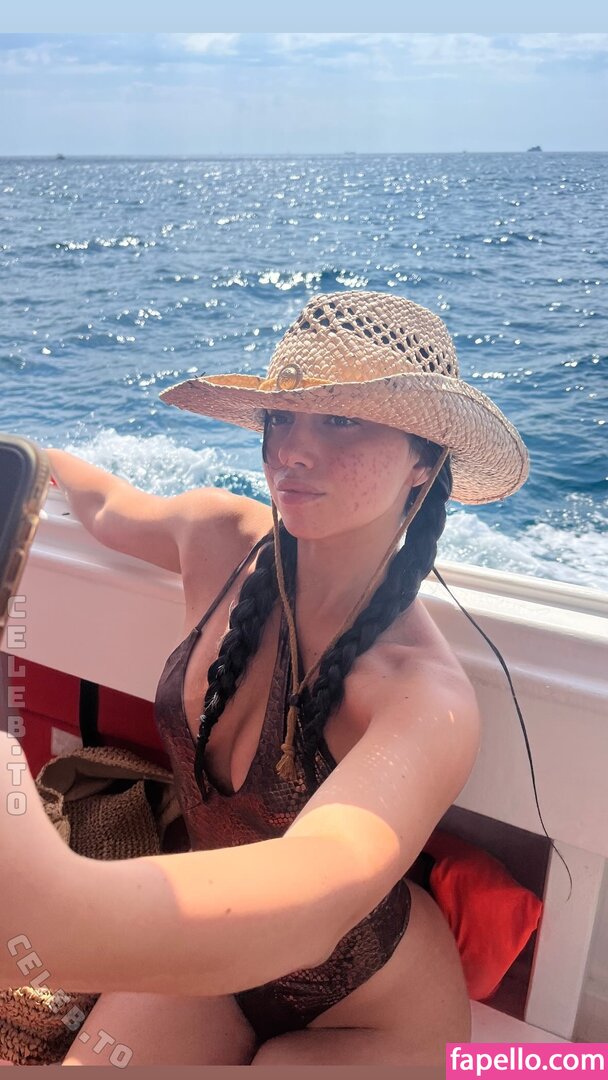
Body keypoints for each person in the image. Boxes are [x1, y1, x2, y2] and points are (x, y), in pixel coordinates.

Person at [1, 291, 528, 1066]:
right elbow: (105, 504)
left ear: (425, 459)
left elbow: (311, 898)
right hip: (217, 965)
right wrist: (27, 462)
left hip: (368, 1014)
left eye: (341, 420)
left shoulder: (421, 697)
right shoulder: (218, 539)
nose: (292, 450)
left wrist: (48, 906)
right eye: (282, 417)